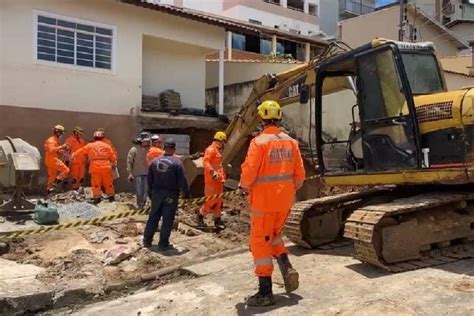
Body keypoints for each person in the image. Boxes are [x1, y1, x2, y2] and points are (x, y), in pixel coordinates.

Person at [239, 100, 305, 307]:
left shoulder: (259, 143)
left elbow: (249, 172)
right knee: (274, 235)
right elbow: (300, 176)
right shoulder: (291, 143)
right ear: (279, 118)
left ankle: (265, 291)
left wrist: (243, 186)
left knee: (259, 242)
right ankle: (286, 265)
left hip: (264, 203)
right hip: (284, 201)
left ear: (261, 119)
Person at [144, 138, 190, 250]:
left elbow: (149, 180)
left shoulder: (154, 162)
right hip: (170, 194)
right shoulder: (177, 163)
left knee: (153, 216)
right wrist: (186, 194)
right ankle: (163, 244)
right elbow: (182, 181)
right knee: (167, 219)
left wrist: (150, 193)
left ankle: (147, 241)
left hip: (156, 193)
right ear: (174, 149)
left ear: (164, 148)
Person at [71, 130, 117, 204]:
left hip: (95, 166)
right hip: (106, 166)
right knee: (108, 182)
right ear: (102, 137)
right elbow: (113, 157)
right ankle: (111, 197)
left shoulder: (90, 145)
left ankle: (97, 198)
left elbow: (81, 151)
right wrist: (113, 162)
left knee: (96, 183)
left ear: (94, 137)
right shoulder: (107, 146)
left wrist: (74, 155)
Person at [196, 131, 227, 228]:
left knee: (218, 202)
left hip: (219, 180)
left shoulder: (217, 151)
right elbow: (206, 161)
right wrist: (212, 172)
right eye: (224, 141)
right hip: (211, 181)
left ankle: (217, 220)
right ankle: (200, 217)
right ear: (220, 140)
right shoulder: (211, 150)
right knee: (210, 202)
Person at [127, 132, 151, 209]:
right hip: (138, 172)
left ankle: (143, 203)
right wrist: (130, 173)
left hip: (147, 172)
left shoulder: (150, 149)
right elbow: (129, 161)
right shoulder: (134, 149)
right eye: (145, 141)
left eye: (147, 141)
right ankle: (140, 204)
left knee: (145, 189)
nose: (146, 142)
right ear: (141, 141)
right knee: (139, 190)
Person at [44, 124, 70, 194]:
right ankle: (56, 183)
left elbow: (56, 150)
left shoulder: (55, 140)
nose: (62, 135)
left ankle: (48, 191)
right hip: (52, 159)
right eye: (61, 133)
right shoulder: (51, 140)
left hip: (50, 159)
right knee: (66, 170)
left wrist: (63, 151)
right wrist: (62, 146)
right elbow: (51, 150)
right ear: (58, 132)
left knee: (52, 176)